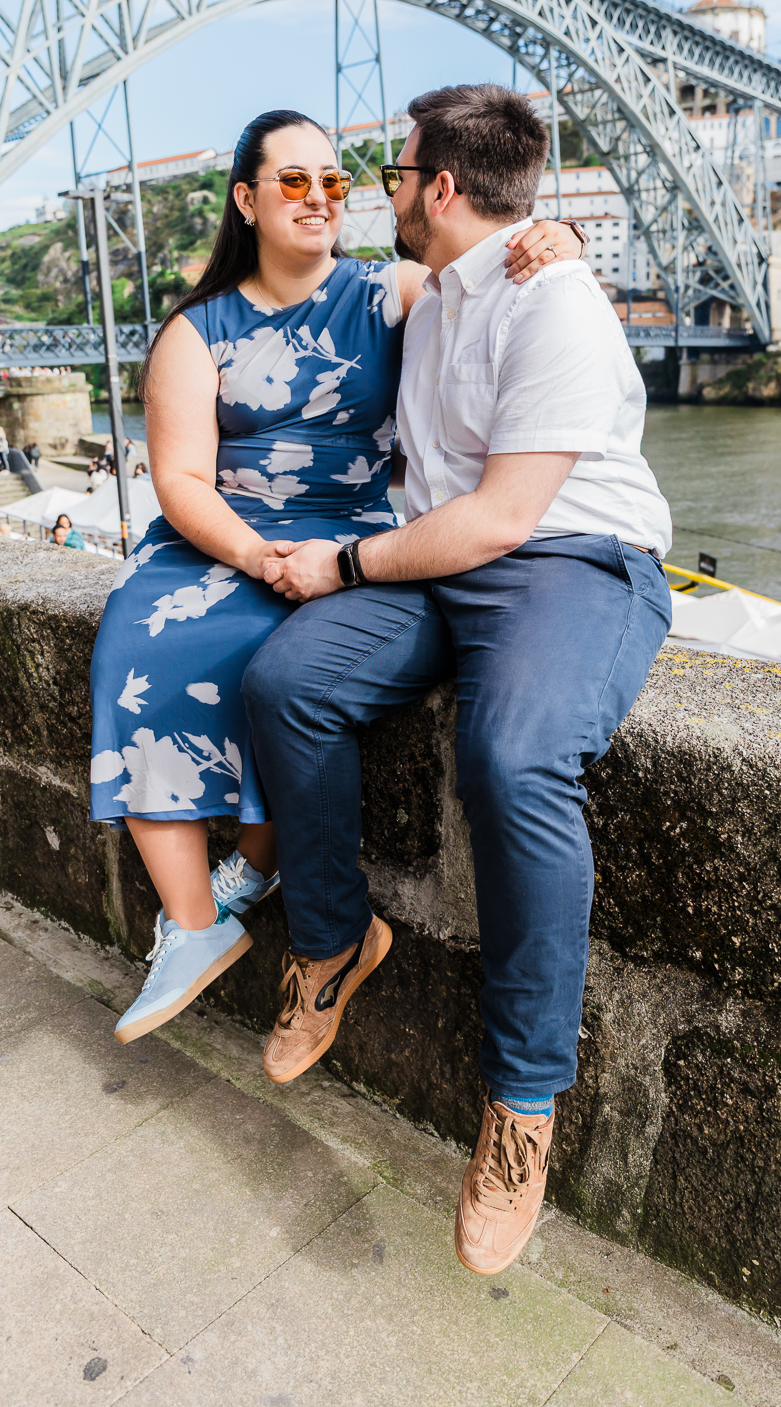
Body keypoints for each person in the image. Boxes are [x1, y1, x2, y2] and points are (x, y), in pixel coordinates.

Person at [241, 85, 673, 1277]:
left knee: (511, 757)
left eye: (393, 170)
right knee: (284, 683)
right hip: (445, 564)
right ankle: (332, 943)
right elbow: (290, 279)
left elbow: (505, 518)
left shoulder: (558, 304)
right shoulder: (430, 289)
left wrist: (339, 562)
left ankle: (523, 1106)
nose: (378, 190)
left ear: (437, 185)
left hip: (570, 563)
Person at [87, 106, 581, 1048]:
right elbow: (181, 477)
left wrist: (558, 233)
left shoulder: (390, 289)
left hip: (350, 529)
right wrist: (250, 554)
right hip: (223, 534)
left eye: (336, 182)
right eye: (295, 181)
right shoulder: (198, 330)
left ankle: (256, 867)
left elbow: (488, 266)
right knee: (138, 645)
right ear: (247, 199)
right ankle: (194, 926)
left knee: (285, 664)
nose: (321, 198)